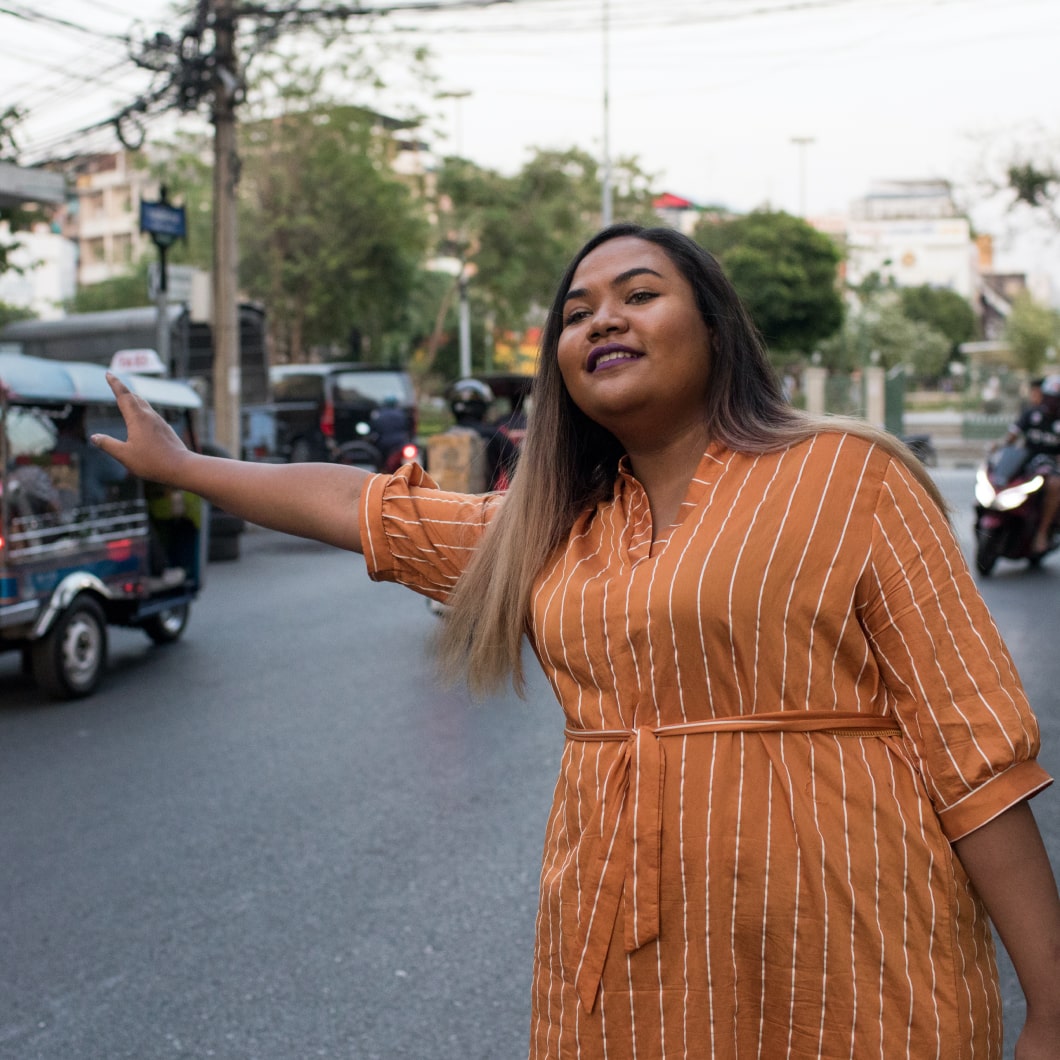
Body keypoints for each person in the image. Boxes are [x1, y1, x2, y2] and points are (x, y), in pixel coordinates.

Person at [92, 224, 1059, 1059]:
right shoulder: (551, 529)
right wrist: (184, 466)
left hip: (851, 945)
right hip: (628, 963)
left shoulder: (849, 477)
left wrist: (1050, 1009)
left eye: (640, 295)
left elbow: (975, 759)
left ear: (715, 330)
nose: (603, 319)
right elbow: (366, 508)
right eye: (577, 311)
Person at [996, 374, 1060, 556]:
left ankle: (1041, 533)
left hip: (1050, 467)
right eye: (1049, 397)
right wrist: (998, 446)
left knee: (1055, 484)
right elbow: (1012, 436)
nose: (1052, 402)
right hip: (1026, 462)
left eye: (1056, 399)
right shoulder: (1032, 414)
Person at [445, 377, 520, 491]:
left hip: (444, 505)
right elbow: (519, 469)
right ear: (483, 405)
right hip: (483, 505)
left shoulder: (440, 438)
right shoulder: (494, 435)